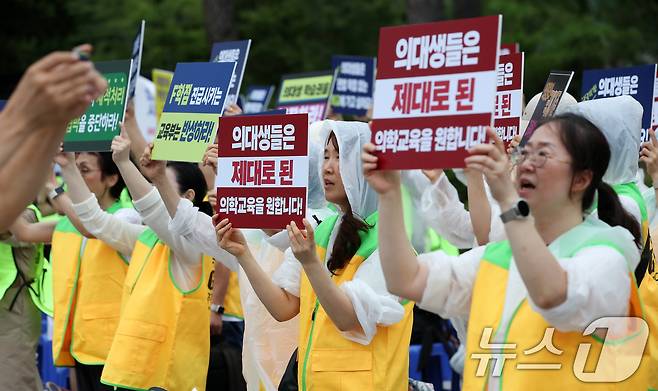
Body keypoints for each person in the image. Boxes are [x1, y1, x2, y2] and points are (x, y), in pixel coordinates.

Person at [363, 115, 649, 389]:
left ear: (581, 180)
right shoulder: (497, 257)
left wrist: (509, 200)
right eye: (525, 153)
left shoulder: (606, 257)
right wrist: (389, 194)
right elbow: (405, 280)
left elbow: (552, 295)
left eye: (543, 155)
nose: (526, 164)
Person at [216, 120, 413, 390]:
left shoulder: (390, 243)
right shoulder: (323, 232)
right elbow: (283, 307)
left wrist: (310, 262)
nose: (328, 167)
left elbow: (347, 319)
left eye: (340, 156)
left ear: (367, 169)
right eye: (325, 156)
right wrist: (243, 255)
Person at [96, 130, 237, 391]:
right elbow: (97, 222)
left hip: (169, 376)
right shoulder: (148, 236)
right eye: (154, 186)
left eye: (162, 186)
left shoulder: (190, 247)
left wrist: (125, 163)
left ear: (188, 199)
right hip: (133, 371)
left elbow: (154, 210)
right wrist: (66, 168)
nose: (156, 190)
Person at [0, 45, 107, 230]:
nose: (82, 175)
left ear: (112, 179)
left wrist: (57, 121)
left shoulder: (124, 213)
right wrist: (23, 117)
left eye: (86, 169)